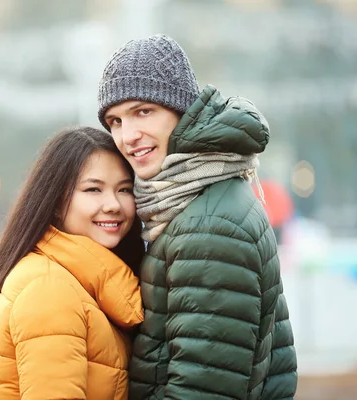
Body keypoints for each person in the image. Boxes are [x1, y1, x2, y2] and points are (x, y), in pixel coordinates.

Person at [97, 34, 298, 399]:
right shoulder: (190, 199)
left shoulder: (206, 225)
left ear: (181, 109)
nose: (128, 136)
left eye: (143, 111)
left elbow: (202, 388)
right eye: (115, 121)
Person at [0, 126, 146, 399]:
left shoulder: (81, 281)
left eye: (124, 189)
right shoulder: (49, 289)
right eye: (93, 189)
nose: (113, 204)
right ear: (55, 201)